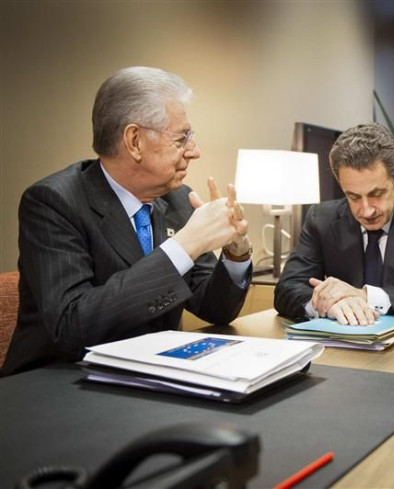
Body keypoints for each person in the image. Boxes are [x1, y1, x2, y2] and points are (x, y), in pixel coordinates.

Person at [2, 67, 253, 376]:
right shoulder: (54, 202)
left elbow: (215, 309)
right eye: (182, 138)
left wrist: (235, 253)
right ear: (134, 141)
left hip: (151, 375)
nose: (195, 152)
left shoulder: (177, 199)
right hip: (60, 383)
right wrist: (185, 246)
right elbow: (72, 325)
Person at [274, 122, 394, 326]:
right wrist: (329, 304)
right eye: (353, 196)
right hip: (341, 345)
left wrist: (366, 296)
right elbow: (286, 290)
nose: (366, 210)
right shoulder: (321, 219)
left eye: (377, 194)